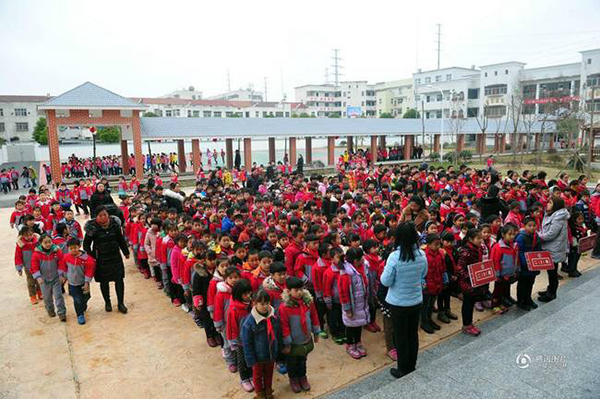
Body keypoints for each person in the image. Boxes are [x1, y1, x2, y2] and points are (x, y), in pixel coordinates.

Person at [380, 222, 427, 379]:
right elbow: (423, 274)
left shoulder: (394, 257)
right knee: (412, 334)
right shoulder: (422, 255)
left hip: (398, 303)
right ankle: (411, 365)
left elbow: (385, 281)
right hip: (415, 301)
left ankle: (402, 368)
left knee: (400, 336)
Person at [83, 205, 130, 313]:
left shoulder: (114, 225)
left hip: (115, 257)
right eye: (100, 215)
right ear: (96, 217)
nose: (103, 217)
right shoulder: (92, 228)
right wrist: (91, 257)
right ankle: (107, 302)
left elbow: (120, 239)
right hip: (101, 259)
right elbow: (86, 245)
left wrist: (126, 252)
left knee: (119, 280)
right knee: (104, 282)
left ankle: (120, 303)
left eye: (105, 215)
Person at [279, 276, 320, 393]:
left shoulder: (308, 302)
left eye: (301, 289)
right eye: (296, 290)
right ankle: (293, 379)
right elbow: (284, 326)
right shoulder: (285, 307)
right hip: (293, 342)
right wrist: (287, 343)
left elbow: (314, 316)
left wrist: (316, 332)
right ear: (288, 291)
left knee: (302, 360)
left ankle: (302, 377)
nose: (299, 292)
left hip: (305, 339)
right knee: (292, 362)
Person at [241, 289, 282, 399]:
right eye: (262, 304)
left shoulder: (274, 317)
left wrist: (278, 349)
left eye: (267, 303)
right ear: (254, 303)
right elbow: (247, 343)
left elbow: (278, 334)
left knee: (269, 374)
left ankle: (268, 391)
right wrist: (251, 360)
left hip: (271, 354)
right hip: (257, 357)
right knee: (257, 376)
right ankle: (260, 393)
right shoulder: (249, 323)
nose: (265, 306)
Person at [338, 247, 369, 359]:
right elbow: (343, 293)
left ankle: (358, 342)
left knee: (358, 325)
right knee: (351, 327)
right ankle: (350, 344)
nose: (363, 259)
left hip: (361, 304)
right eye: (361, 258)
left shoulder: (361, 268)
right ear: (356, 260)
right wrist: (347, 309)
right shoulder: (346, 274)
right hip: (352, 306)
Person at [537, 197, 569, 302]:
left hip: (554, 248)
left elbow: (551, 234)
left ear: (556, 205)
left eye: (550, 203)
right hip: (550, 247)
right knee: (551, 271)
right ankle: (550, 289)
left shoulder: (558, 217)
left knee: (552, 272)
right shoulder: (552, 214)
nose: (547, 204)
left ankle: (551, 293)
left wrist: (538, 236)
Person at [59, 238, 96, 325]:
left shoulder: (87, 259)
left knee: (86, 297)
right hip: (72, 283)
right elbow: (62, 266)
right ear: (68, 248)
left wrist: (87, 282)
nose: (73, 250)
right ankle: (80, 315)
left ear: (79, 247)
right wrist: (63, 276)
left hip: (83, 283)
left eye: (75, 248)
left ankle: (83, 305)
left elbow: (89, 271)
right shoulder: (66, 257)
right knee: (77, 299)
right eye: (71, 248)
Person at [31, 234, 66, 321]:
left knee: (58, 296)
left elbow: (62, 262)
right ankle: (50, 310)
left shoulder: (57, 251)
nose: (48, 244)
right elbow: (34, 266)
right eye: (45, 242)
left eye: (49, 242)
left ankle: (62, 313)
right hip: (44, 280)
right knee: (47, 298)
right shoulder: (36, 254)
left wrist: (61, 274)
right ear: (40, 243)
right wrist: (38, 277)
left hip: (56, 278)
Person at [14, 226, 41, 304]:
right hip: (28, 267)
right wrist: (19, 268)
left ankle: (40, 293)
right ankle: (33, 296)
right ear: (22, 235)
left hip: (38, 265)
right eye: (26, 235)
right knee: (31, 282)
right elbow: (18, 257)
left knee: (39, 280)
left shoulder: (38, 242)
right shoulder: (21, 245)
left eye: (30, 234)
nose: (29, 237)